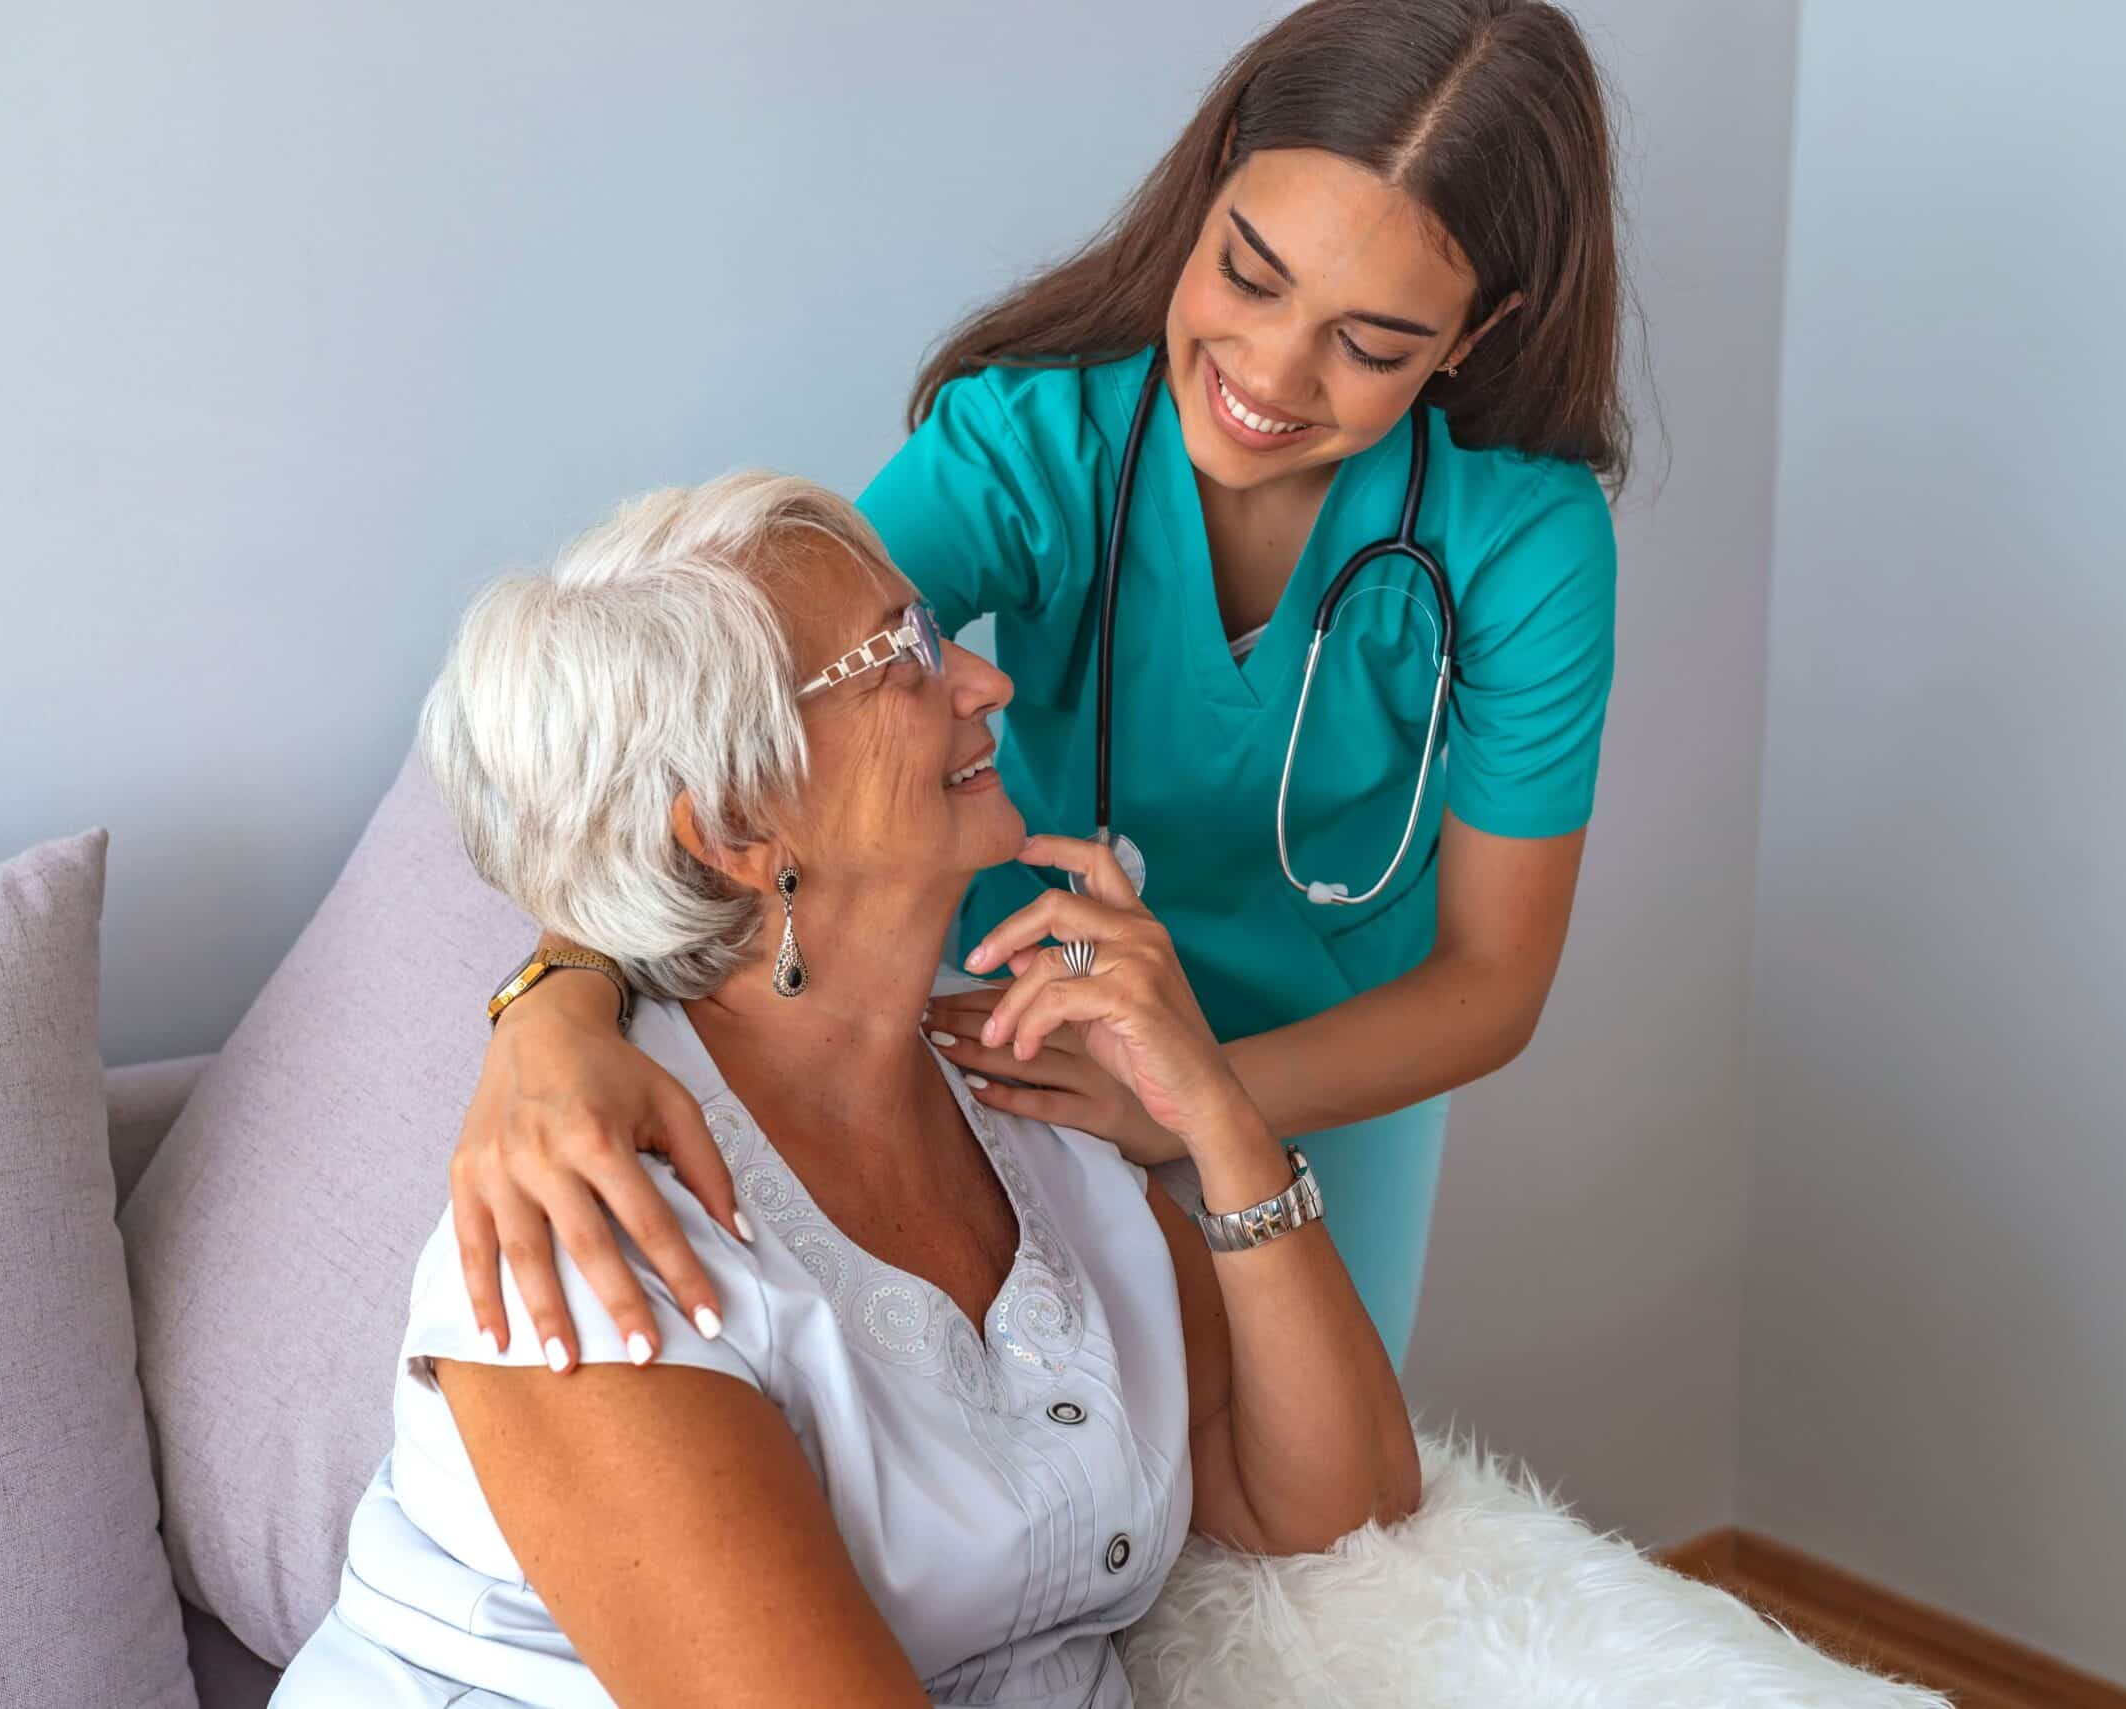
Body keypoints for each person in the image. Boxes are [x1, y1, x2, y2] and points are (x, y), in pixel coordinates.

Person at [450, 0, 1628, 1374]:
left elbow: (1491, 980)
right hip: (1023, 1045)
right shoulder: (1034, 443)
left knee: (1318, 1529)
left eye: (1369, 345)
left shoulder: (1524, 546)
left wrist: (1197, 1102)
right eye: (1250, 275)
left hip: (1324, 1091)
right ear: (1220, 169)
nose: (1269, 371)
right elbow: (719, 727)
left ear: (1481, 331)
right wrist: (552, 1003)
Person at [273, 474, 1420, 1707]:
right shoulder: (593, 1239)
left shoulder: (1023, 1092)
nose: (987, 684)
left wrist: (1220, 1123)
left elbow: (1338, 1515)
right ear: (736, 824)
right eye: (906, 657)